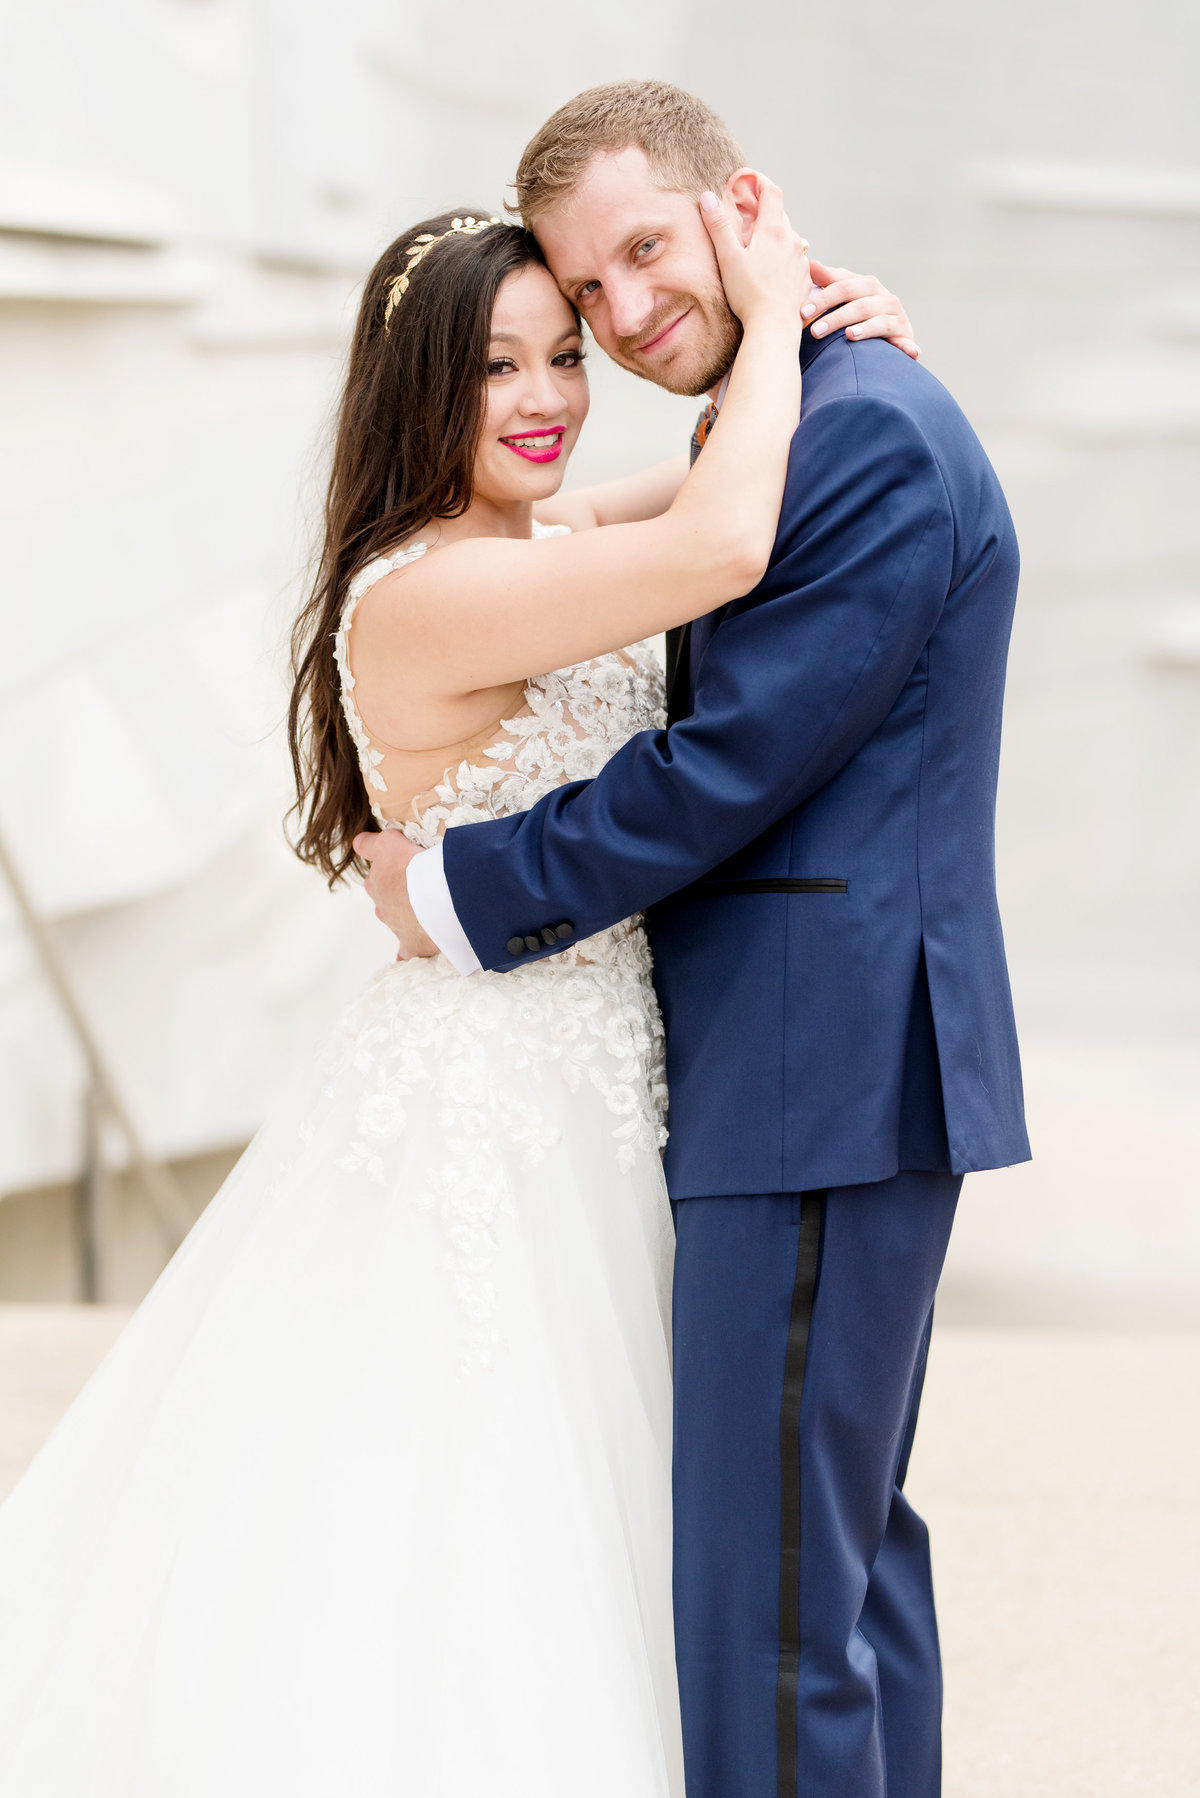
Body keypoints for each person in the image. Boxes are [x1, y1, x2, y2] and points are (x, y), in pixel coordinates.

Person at [0, 158, 914, 1789]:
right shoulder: (430, 595)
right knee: (476, 1514)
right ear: (422, 385)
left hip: (604, 1080)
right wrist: (777, 312)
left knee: (642, 1507)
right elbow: (717, 540)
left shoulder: (522, 538)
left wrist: (834, 358)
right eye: (498, 364)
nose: (552, 393)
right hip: (491, 1104)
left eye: (564, 351)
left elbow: (682, 483)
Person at [361, 79, 1031, 1798]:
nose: (625, 310)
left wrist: (454, 887)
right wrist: (794, 333)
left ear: (743, 210)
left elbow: (727, 767)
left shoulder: (856, 427)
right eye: (587, 294)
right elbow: (661, 530)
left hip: (818, 1067)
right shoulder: (799, 406)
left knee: (776, 1603)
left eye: (648, 251)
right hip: (796, 1066)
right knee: (836, 1564)